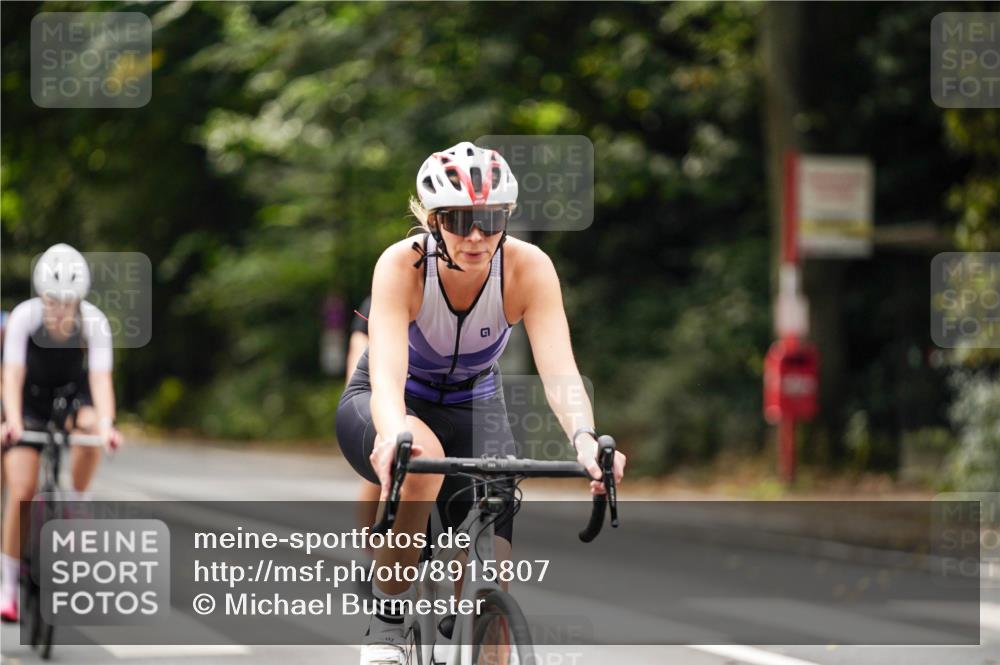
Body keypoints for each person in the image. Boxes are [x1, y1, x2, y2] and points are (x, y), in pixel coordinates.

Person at [335, 141, 626, 664]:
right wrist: (393, 431)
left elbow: (559, 369)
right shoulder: (402, 265)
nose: (475, 236)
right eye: (457, 220)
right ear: (431, 219)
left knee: (494, 578)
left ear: (507, 217)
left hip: (475, 403)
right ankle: (388, 620)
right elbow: (387, 374)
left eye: (490, 220)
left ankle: (476, 622)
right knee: (419, 461)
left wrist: (584, 438)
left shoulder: (528, 268)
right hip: (394, 399)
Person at [0, 244, 122, 622]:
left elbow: (100, 379)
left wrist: (107, 425)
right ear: (41, 296)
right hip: (29, 402)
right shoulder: (25, 317)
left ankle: (75, 499)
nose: (59, 309)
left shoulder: (94, 322)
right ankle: (7, 585)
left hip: (71, 399)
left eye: (67, 302)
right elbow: (13, 374)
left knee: (90, 428)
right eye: (52, 301)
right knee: (21, 489)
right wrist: (14, 420)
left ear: (79, 300)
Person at [345, 296, 383, 537]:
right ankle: (369, 552)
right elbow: (358, 350)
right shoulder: (378, 299)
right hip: (379, 391)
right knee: (380, 470)